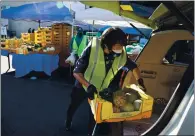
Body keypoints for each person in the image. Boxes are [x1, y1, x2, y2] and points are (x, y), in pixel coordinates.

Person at [65, 27, 146, 135]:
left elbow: (134, 67)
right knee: (74, 105)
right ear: (107, 44)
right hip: (82, 84)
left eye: (122, 46)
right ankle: (68, 120)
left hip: (99, 89)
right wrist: (88, 85)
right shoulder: (91, 49)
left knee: (95, 115)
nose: (121, 49)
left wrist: (140, 81)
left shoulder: (120, 54)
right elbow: (76, 72)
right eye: (118, 45)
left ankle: (90, 133)